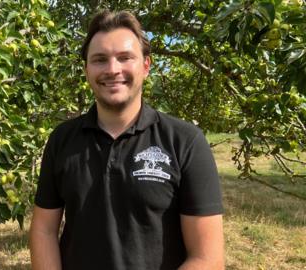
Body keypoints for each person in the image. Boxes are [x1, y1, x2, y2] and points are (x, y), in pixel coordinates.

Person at [29, 10, 224, 270]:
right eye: (100, 59)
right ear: (86, 69)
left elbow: (207, 258)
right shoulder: (62, 139)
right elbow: (44, 230)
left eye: (125, 58)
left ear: (146, 66)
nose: (112, 69)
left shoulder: (184, 141)